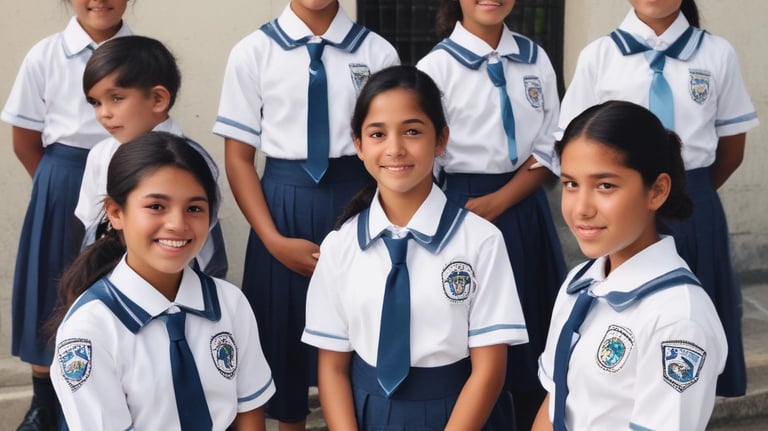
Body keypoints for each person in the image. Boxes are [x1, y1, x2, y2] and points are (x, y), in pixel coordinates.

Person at [301, 65, 528, 431]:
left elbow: (489, 370)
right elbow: (332, 367)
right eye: (377, 134)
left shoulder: (481, 241)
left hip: (461, 415)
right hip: (366, 414)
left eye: (412, 131)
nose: (395, 149)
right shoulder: (340, 246)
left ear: (441, 140)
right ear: (358, 144)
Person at [557, 0, 759, 397]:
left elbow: (731, 150)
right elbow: (573, 140)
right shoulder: (600, 54)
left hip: (694, 205)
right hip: (616, 205)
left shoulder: (716, 53)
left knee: (688, 334)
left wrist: (683, 194)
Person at [212, 1, 398, 428]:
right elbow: (238, 159)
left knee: (361, 331)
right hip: (280, 209)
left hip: (359, 202)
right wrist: (273, 240)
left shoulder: (377, 52)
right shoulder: (253, 51)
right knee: (282, 343)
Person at [50, 132, 276, 431]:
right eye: (156, 206)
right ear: (116, 212)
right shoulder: (89, 331)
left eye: (194, 208)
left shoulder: (230, 304)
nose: (177, 224)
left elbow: (249, 411)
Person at [416, 1, 567, 427]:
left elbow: (550, 144)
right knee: (475, 334)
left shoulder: (535, 58)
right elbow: (427, 155)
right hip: (460, 206)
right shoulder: (435, 68)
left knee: (532, 329)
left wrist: (501, 200)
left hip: (525, 206)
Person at [533, 100, 727, 431]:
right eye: (571, 184)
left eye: (605, 186)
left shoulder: (678, 319)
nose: (581, 209)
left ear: (657, 191)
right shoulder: (579, 283)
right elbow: (554, 403)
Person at [0, 1, 132, 428]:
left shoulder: (142, 52)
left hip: (126, 175)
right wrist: (56, 187)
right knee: (51, 282)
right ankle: (44, 404)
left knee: (116, 279)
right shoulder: (45, 54)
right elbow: (24, 138)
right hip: (62, 178)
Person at [76, 35, 228, 278]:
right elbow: (92, 228)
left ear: (158, 99)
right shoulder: (100, 155)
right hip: (112, 278)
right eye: (96, 102)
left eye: (116, 98)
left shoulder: (192, 159)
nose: (104, 113)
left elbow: (203, 239)